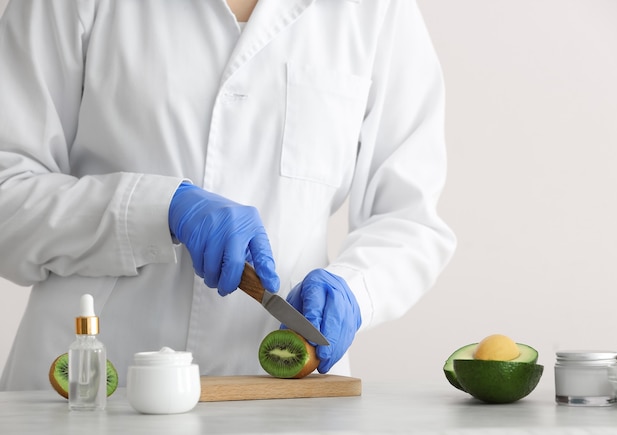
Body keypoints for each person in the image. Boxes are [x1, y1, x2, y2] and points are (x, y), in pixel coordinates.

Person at [0, 0, 456, 390]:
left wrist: (356, 290)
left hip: (277, 400)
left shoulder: (376, 11)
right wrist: (156, 209)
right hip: (88, 391)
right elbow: (7, 192)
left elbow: (409, 218)